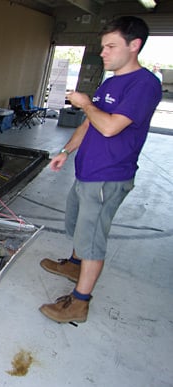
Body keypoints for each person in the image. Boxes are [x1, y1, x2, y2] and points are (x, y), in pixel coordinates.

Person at [39, 16, 162, 323]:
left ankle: (79, 303)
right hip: (87, 171)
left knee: (92, 237)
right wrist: (66, 151)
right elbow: (88, 124)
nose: (103, 52)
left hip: (109, 176)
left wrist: (85, 103)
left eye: (111, 46)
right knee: (79, 224)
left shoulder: (144, 85)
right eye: (102, 46)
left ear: (134, 46)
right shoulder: (110, 82)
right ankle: (73, 264)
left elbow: (108, 127)